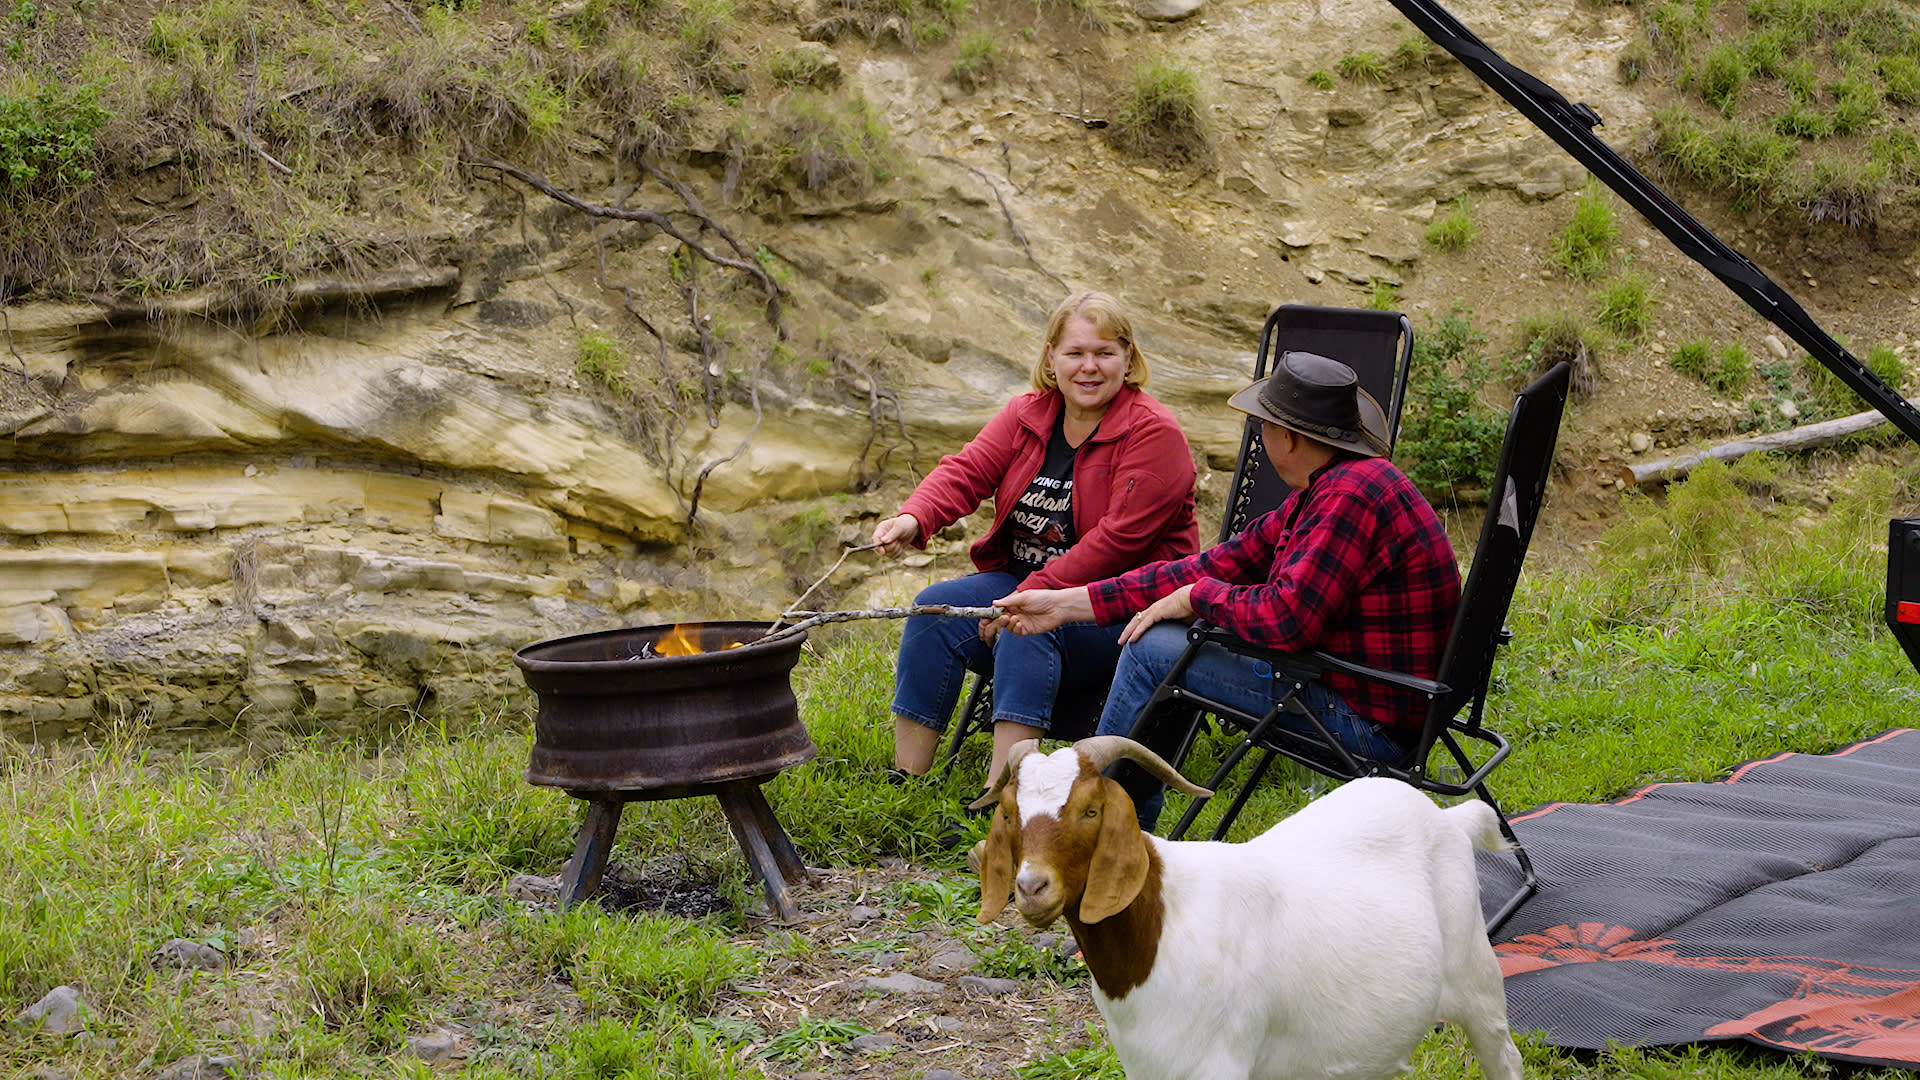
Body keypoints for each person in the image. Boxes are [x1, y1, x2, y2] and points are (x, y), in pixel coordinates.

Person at [994, 350, 1461, 829]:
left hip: (1367, 724)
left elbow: (1287, 620)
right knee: (1170, 642)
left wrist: (1198, 597)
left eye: (1263, 425)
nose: (1258, 434)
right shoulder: (1330, 489)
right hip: (1369, 694)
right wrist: (1067, 604)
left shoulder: (1348, 498)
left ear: (1290, 437)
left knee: (1156, 650)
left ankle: (1093, 830)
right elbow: (1215, 563)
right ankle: (1126, 829)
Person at [871, 291, 1199, 801]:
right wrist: (915, 516)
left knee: (1028, 626)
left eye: (1105, 353)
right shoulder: (1029, 414)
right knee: (933, 610)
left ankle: (1002, 800)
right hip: (1024, 581)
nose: (1089, 367)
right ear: (1051, 357)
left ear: (1128, 358)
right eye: (1075, 353)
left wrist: (1029, 596)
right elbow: (967, 470)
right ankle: (906, 780)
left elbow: (1116, 542)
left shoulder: (1154, 433)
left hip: (1122, 607)